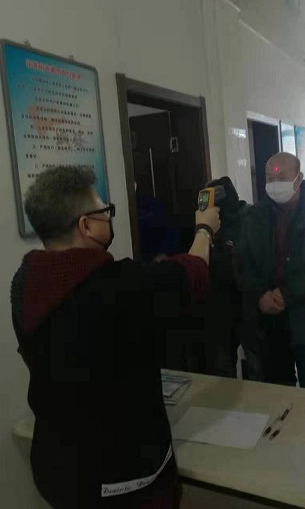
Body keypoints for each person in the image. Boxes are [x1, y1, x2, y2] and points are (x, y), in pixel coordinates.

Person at [10, 165, 220, 509]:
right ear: (86, 225)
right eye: (104, 210)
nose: (109, 217)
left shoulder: (25, 283)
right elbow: (193, 273)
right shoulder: (119, 286)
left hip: (57, 468)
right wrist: (204, 229)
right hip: (124, 481)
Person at [235, 152, 305, 390]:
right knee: (277, 391)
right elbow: (242, 263)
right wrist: (260, 294)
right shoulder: (253, 216)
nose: (274, 183)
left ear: (299, 178)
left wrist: (288, 293)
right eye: (269, 178)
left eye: (282, 177)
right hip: (270, 322)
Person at [199, 177, 249, 377]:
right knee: (223, 370)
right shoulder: (207, 226)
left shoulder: (249, 220)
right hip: (219, 308)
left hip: (248, 305)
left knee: (259, 367)